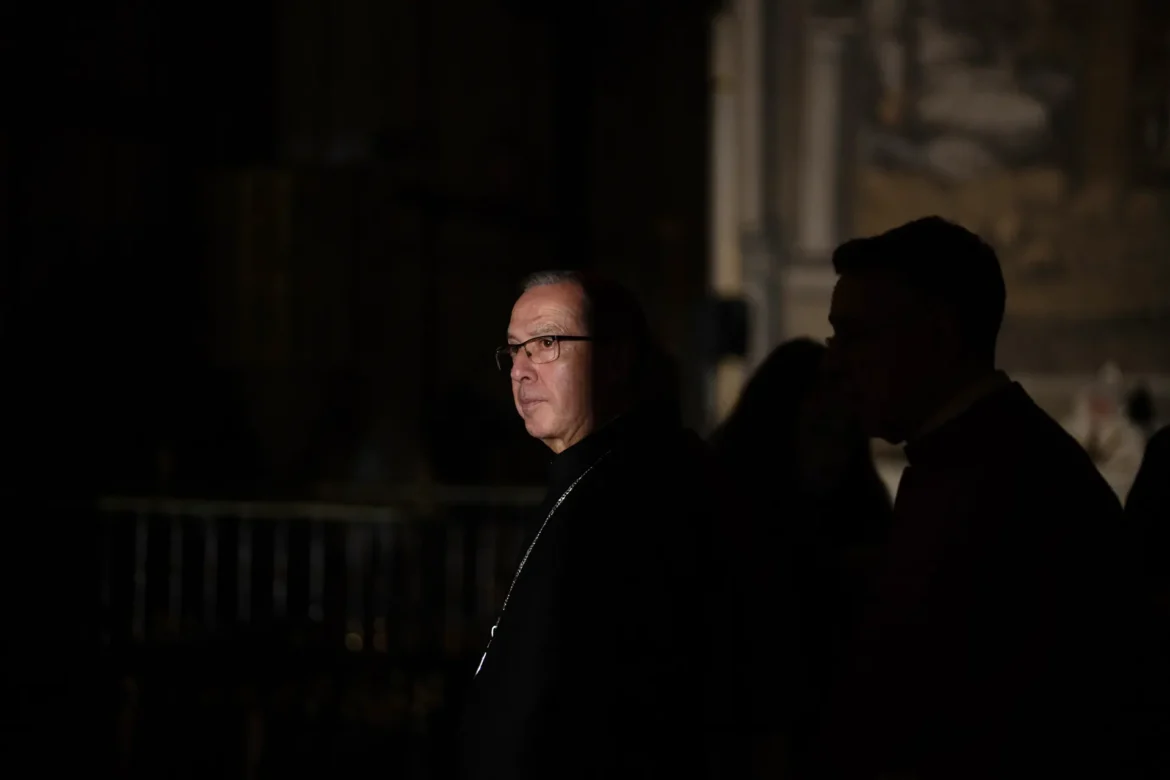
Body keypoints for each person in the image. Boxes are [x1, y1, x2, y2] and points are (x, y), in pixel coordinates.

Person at [817, 216, 1153, 778]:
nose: (833, 363)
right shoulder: (979, 455)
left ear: (940, 336)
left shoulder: (1005, 479)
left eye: (856, 337)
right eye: (835, 338)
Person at [458, 270, 781, 779]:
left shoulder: (654, 486)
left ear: (614, 359)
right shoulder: (582, 475)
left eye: (546, 343)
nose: (520, 369)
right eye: (514, 350)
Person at [709, 338, 893, 777]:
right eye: (820, 427)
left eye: (844, 431)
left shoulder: (861, 509)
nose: (833, 449)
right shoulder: (723, 509)